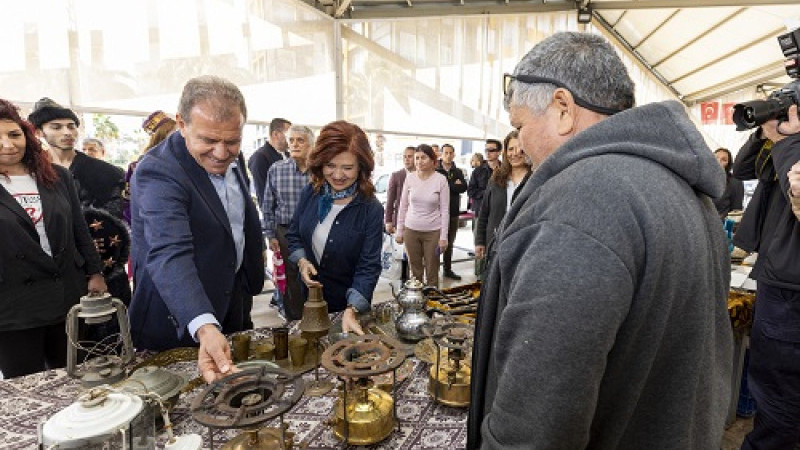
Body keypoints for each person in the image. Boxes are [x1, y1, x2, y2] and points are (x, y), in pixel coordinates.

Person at [468, 32, 732, 449]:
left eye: (519, 125)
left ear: (562, 109)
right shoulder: (683, 189)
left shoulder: (580, 200)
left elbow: (538, 420)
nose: (520, 144)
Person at [129, 76, 265, 383]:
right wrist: (203, 325)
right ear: (181, 124)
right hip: (178, 315)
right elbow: (169, 251)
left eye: (232, 141)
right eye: (208, 141)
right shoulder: (158, 171)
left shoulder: (233, 155)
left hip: (232, 299)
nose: (221, 153)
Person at [0, 98, 106, 378]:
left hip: (66, 293)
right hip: (14, 305)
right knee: (27, 387)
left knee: (77, 377)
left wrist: (94, 272)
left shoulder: (56, 175)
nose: (9, 145)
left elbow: (79, 229)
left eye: (14, 134)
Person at [731, 104, 800, 450]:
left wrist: (789, 141)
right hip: (777, 275)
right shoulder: (786, 145)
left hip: (790, 289)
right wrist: (764, 130)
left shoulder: (794, 149)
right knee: (770, 392)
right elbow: (743, 169)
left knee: (779, 402)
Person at [286, 120, 383, 335]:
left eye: (347, 168)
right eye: (330, 165)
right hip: (308, 301)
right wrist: (303, 262)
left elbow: (368, 266)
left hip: (347, 305)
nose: (338, 175)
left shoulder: (371, 209)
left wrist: (353, 309)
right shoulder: (311, 193)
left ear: (361, 168)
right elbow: (293, 234)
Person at [28, 98, 125, 218]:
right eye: (56, 127)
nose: (67, 132)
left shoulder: (105, 172)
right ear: (39, 132)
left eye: (71, 126)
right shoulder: (30, 168)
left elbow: (113, 218)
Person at [262, 125, 314, 321]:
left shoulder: (320, 171)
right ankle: (295, 322)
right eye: (291, 140)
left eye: (300, 140)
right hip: (284, 232)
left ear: (311, 145)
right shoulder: (277, 169)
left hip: (313, 232)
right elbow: (268, 204)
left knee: (314, 275)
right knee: (290, 281)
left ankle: (316, 318)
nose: (294, 144)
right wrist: (270, 234)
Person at [474, 130, 532, 264]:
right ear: (505, 152)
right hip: (494, 242)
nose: (515, 153)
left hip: (523, 244)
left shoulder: (535, 178)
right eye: (511, 149)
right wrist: (480, 241)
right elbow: (484, 212)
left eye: (520, 148)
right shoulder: (497, 178)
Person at [395, 144, 449, 287]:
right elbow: (403, 206)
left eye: (423, 157)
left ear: (433, 160)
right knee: (415, 273)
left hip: (433, 232)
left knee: (432, 272)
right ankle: (416, 305)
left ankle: (433, 304)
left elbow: (445, 210)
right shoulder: (410, 178)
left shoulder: (441, 180)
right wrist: (399, 231)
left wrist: (443, 237)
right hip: (411, 231)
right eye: (417, 158)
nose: (419, 161)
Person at [123, 110, 177, 225]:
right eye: (174, 134)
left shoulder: (185, 163)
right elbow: (129, 204)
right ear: (161, 137)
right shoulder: (138, 167)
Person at [436, 143, 467, 280]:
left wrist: (449, 186)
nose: (448, 156)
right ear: (441, 154)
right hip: (437, 213)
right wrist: (454, 184)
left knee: (450, 241)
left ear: (454, 155)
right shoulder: (436, 170)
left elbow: (464, 187)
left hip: (453, 212)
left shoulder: (458, 171)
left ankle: (447, 269)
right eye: (446, 153)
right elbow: (437, 188)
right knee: (436, 242)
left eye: (450, 153)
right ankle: (434, 269)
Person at [249, 118, 291, 208]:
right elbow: (263, 195)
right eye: (288, 135)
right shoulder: (260, 157)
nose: (291, 138)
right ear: (275, 134)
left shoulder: (289, 155)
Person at [384, 146, 415, 234]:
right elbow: (390, 200)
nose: (406, 159)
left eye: (410, 156)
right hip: (402, 221)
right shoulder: (396, 176)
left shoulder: (422, 176)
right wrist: (388, 221)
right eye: (404, 157)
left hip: (419, 222)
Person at [712, 147, 744, 218]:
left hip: (720, 224)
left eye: (724, 160)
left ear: (728, 164)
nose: (719, 161)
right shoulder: (701, 179)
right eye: (716, 157)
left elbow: (736, 211)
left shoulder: (735, 182)